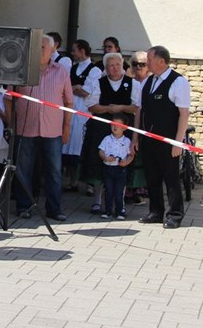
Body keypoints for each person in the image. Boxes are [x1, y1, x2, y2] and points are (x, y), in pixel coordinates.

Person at [13, 34, 73, 221]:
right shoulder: (22, 70)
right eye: (36, 46)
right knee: (23, 170)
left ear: (52, 49)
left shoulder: (61, 71)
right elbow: (9, 98)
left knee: (54, 172)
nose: (39, 50)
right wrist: (11, 122)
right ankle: (24, 206)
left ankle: (54, 209)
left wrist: (66, 127)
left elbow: (69, 102)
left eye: (42, 47)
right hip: (25, 129)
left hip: (52, 131)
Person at [133, 45, 191, 229]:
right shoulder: (147, 82)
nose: (146, 63)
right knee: (152, 177)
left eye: (149, 59)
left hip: (168, 140)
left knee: (171, 178)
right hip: (148, 139)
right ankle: (156, 212)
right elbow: (139, 111)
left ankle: (175, 215)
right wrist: (135, 137)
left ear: (161, 61)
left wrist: (178, 142)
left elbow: (184, 114)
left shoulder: (178, 82)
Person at [80, 51, 140, 214]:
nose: (115, 68)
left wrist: (120, 108)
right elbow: (91, 106)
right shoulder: (99, 83)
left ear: (122, 65)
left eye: (117, 65)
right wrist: (108, 109)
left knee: (122, 163)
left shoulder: (133, 84)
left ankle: (119, 202)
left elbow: (136, 106)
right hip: (102, 128)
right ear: (106, 68)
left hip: (124, 128)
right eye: (111, 65)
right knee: (100, 163)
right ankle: (97, 201)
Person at [62, 39, 101, 192]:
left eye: (74, 50)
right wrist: (77, 87)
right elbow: (65, 89)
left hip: (84, 112)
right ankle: (73, 181)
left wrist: (76, 88)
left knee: (82, 147)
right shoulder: (73, 68)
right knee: (68, 148)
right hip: (70, 110)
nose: (72, 53)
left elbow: (86, 92)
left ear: (82, 51)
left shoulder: (94, 70)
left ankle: (87, 182)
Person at [99, 113, 135, 220]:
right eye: (113, 124)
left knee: (119, 192)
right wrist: (105, 157)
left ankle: (120, 211)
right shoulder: (107, 139)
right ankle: (108, 211)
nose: (114, 127)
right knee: (108, 191)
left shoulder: (127, 141)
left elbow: (131, 155)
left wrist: (126, 162)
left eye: (118, 125)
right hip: (108, 168)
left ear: (124, 128)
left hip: (120, 169)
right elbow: (101, 151)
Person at [127, 50, 151, 201]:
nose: (137, 67)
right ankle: (129, 187)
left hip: (146, 123)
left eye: (141, 64)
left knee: (144, 156)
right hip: (130, 122)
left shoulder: (151, 82)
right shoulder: (128, 82)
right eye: (134, 64)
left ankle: (142, 186)